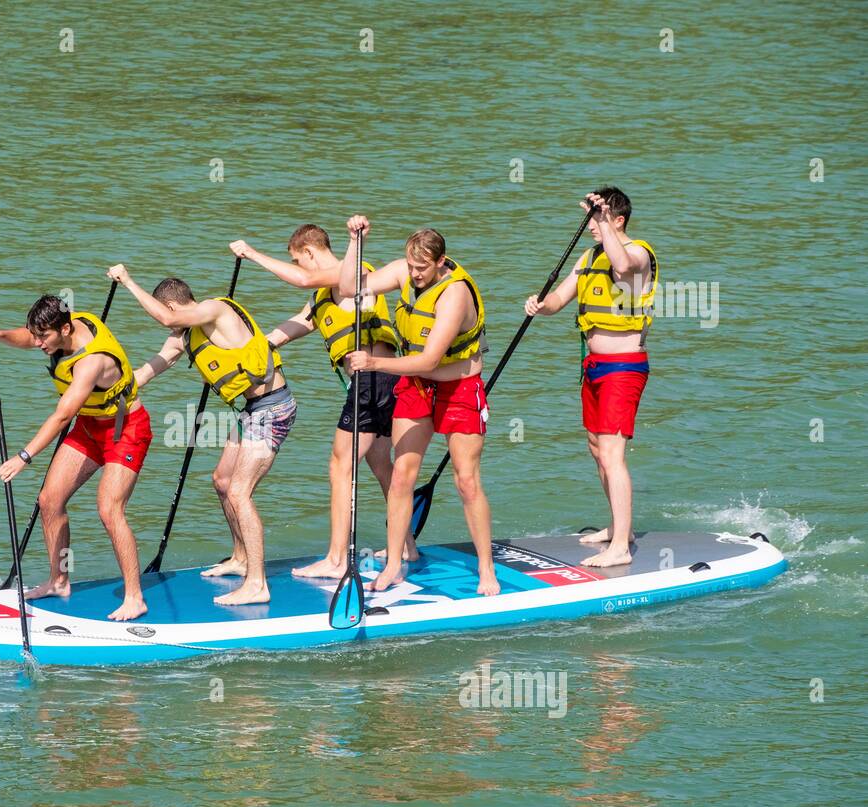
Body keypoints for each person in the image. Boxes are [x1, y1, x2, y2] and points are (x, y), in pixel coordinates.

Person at [228, 227, 419, 579]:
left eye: (297, 258)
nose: (298, 266)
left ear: (310, 251)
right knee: (379, 462)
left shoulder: (353, 269)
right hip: (382, 384)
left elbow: (302, 279)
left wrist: (253, 254)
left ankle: (335, 560)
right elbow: (300, 323)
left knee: (339, 465)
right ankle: (406, 544)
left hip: (372, 379)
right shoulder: (323, 294)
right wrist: (257, 347)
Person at [109, 263, 296, 606]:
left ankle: (258, 583)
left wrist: (126, 281)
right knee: (222, 480)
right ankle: (240, 559)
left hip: (274, 408)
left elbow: (167, 321)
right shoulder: (187, 333)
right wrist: (118, 387)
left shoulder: (215, 309)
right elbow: (159, 361)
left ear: (172, 306)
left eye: (166, 312)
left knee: (240, 492)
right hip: (252, 411)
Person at [340, 217, 500, 597]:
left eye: (422, 268)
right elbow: (348, 287)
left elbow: (430, 360)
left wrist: (374, 363)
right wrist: (352, 241)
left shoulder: (454, 293)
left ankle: (486, 568)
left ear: (441, 263)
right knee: (400, 476)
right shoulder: (404, 271)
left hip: (458, 386)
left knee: (466, 480)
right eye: (410, 266)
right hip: (416, 387)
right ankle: (395, 564)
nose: (413, 275)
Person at [0, 294, 152, 620]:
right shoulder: (63, 325)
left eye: (44, 337)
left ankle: (135, 597)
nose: (39, 343)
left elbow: (61, 416)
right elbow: (29, 337)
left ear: (66, 329)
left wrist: (24, 456)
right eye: (38, 336)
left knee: (109, 509)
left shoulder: (91, 362)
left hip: (126, 431)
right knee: (50, 500)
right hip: (89, 427)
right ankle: (59, 581)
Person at [524, 188, 657, 567]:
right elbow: (560, 299)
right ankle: (619, 528)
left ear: (619, 221)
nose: (592, 228)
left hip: (624, 368)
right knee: (597, 450)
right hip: (594, 368)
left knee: (613, 455)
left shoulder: (638, 253)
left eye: (600, 221)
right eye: (590, 221)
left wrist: (601, 218)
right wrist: (540, 304)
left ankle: (620, 549)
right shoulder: (587, 257)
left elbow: (623, 266)